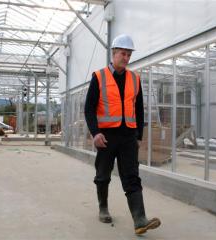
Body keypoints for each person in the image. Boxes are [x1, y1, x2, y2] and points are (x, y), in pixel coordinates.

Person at [84, 34, 161, 235]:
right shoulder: (99, 77)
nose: (126, 58)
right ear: (114, 53)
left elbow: (140, 109)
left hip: (128, 137)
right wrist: (95, 133)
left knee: (132, 177)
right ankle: (103, 207)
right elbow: (89, 109)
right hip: (106, 137)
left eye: (129, 54)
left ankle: (140, 219)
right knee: (102, 175)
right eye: (123, 54)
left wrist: (138, 137)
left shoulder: (135, 79)